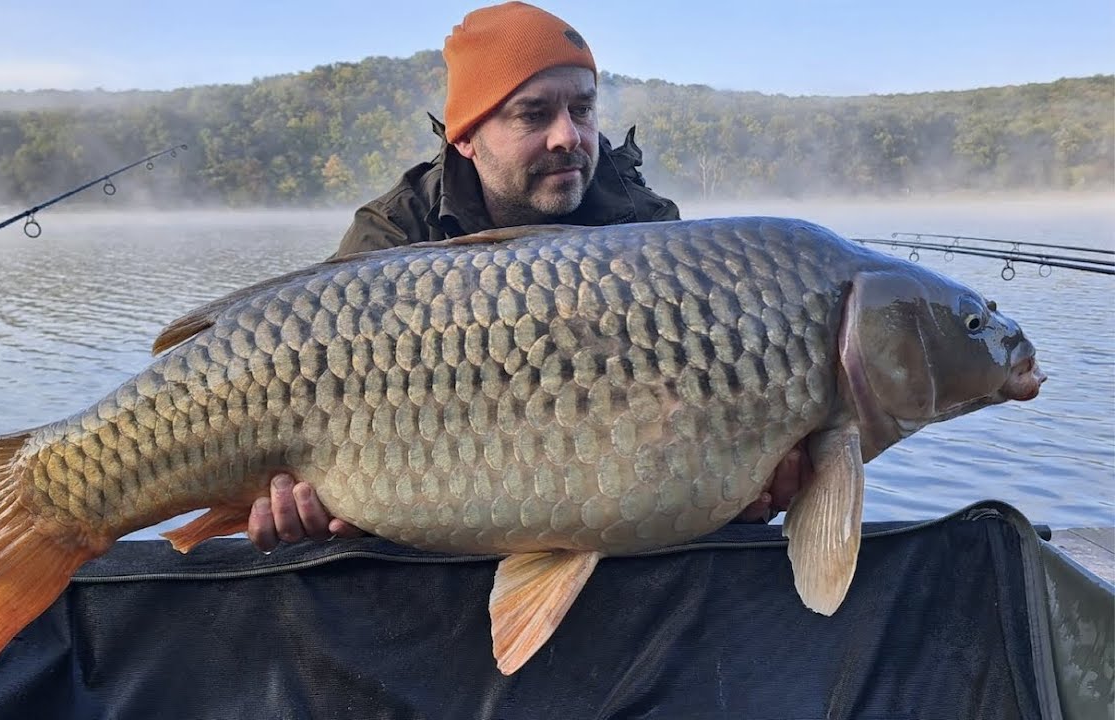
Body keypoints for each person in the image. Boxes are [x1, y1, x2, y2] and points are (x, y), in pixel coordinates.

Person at [247, 1, 811, 551]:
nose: (569, 136)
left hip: (602, 502)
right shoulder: (393, 234)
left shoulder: (648, 231)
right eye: (534, 115)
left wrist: (732, 482)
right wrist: (309, 505)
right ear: (465, 137)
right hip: (426, 516)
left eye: (582, 109)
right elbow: (308, 374)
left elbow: (687, 411)